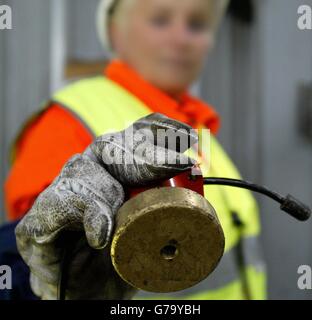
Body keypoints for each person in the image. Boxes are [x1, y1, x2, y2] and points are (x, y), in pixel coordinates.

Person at [2, 0, 266, 300]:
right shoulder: (68, 118)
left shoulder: (197, 127)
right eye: (160, 20)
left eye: (196, 25)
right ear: (114, 32)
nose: (181, 39)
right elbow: (37, 258)